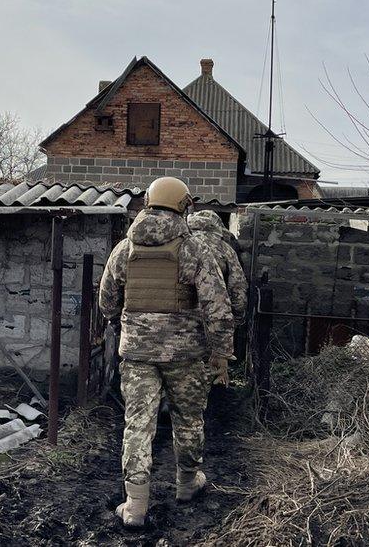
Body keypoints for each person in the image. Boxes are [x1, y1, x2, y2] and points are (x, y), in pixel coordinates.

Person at [98, 177, 234, 528]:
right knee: (188, 420)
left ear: (148, 202)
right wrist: (220, 352)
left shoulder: (124, 247)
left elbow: (107, 300)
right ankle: (188, 484)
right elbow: (217, 306)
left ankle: (135, 505)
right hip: (186, 355)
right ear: (183, 205)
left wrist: (124, 322)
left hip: (137, 354)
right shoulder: (194, 249)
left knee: (138, 425)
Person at [187, 210, 247, 323]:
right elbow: (237, 286)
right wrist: (237, 318)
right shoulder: (225, 249)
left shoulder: (180, 242)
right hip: (214, 315)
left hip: (180, 317)